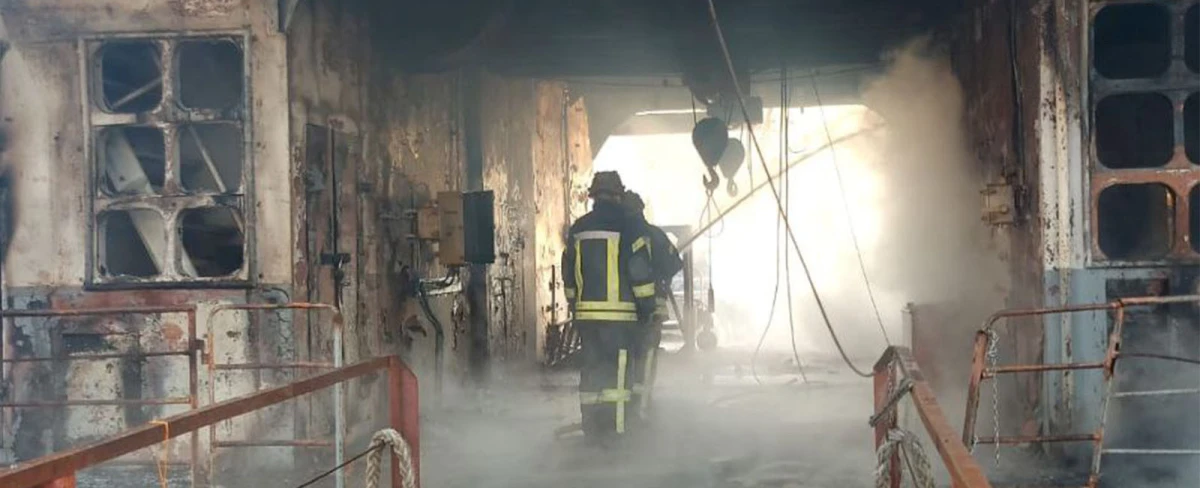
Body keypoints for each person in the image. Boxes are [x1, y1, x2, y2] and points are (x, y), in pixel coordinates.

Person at [561, 171, 657, 446]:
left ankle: (592, 430)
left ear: (593, 196)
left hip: (587, 318)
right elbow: (640, 273)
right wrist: (647, 308)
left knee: (592, 373)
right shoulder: (629, 227)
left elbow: (569, 272)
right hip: (621, 319)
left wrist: (574, 304)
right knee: (618, 379)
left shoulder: (579, 228)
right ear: (618, 195)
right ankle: (617, 434)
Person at [621, 190, 683, 424]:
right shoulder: (655, 235)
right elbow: (675, 263)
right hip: (653, 308)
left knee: (624, 358)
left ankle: (625, 406)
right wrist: (659, 273)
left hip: (623, 310)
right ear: (641, 210)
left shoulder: (620, 234)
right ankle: (642, 407)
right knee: (646, 358)